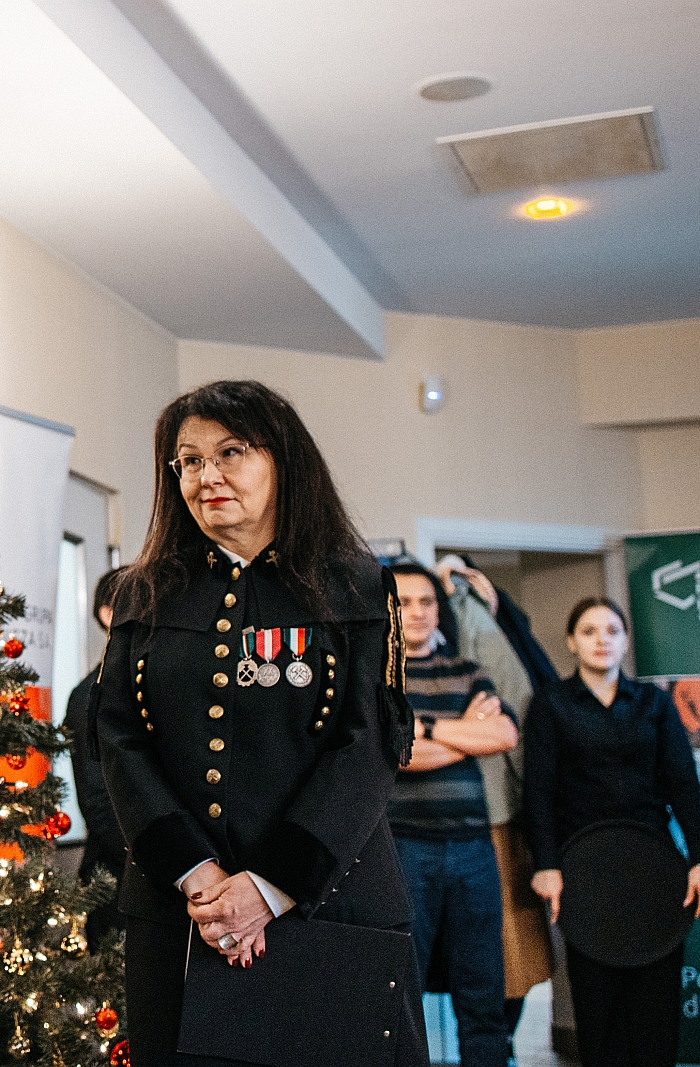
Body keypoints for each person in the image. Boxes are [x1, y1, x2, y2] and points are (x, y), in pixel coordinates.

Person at [91, 379, 427, 1067]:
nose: (206, 476)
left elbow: (368, 746)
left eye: (231, 452)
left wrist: (269, 887)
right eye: (189, 460)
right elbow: (120, 741)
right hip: (182, 915)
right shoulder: (141, 593)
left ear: (284, 462)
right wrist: (198, 877)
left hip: (330, 907)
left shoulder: (359, 586)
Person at [524, 597, 700, 1067]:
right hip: (583, 870)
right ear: (572, 642)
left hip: (653, 866)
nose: (602, 640)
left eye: (612, 630)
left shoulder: (655, 703)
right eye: (589, 631)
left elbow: (684, 786)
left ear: (626, 640)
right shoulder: (550, 704)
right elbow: (538, 793)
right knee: (599, 1013)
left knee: (657, 1012)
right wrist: (545, 864)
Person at [388, 561, 519, 1067]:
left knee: (483, 990)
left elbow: (503, 735)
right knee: (402, 992)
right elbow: (397, 753)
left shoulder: (468, 670)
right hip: (404, 847)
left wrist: (424, 728)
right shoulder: (377, 679)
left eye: (427, 601)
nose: (418, 612)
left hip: (473, 848)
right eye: (404, 603)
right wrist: (464, 733)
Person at [433, 557, 552, 1055]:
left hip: (494, 816)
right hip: (437, 816)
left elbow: (513, 724)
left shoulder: (473, 618)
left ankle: (495, 1051)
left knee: (505, 959)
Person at [63, 566, 128, 942]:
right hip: (116, 878)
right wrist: (165, 866)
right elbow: (98, 801)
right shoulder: (89, 695)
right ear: (107, 614)